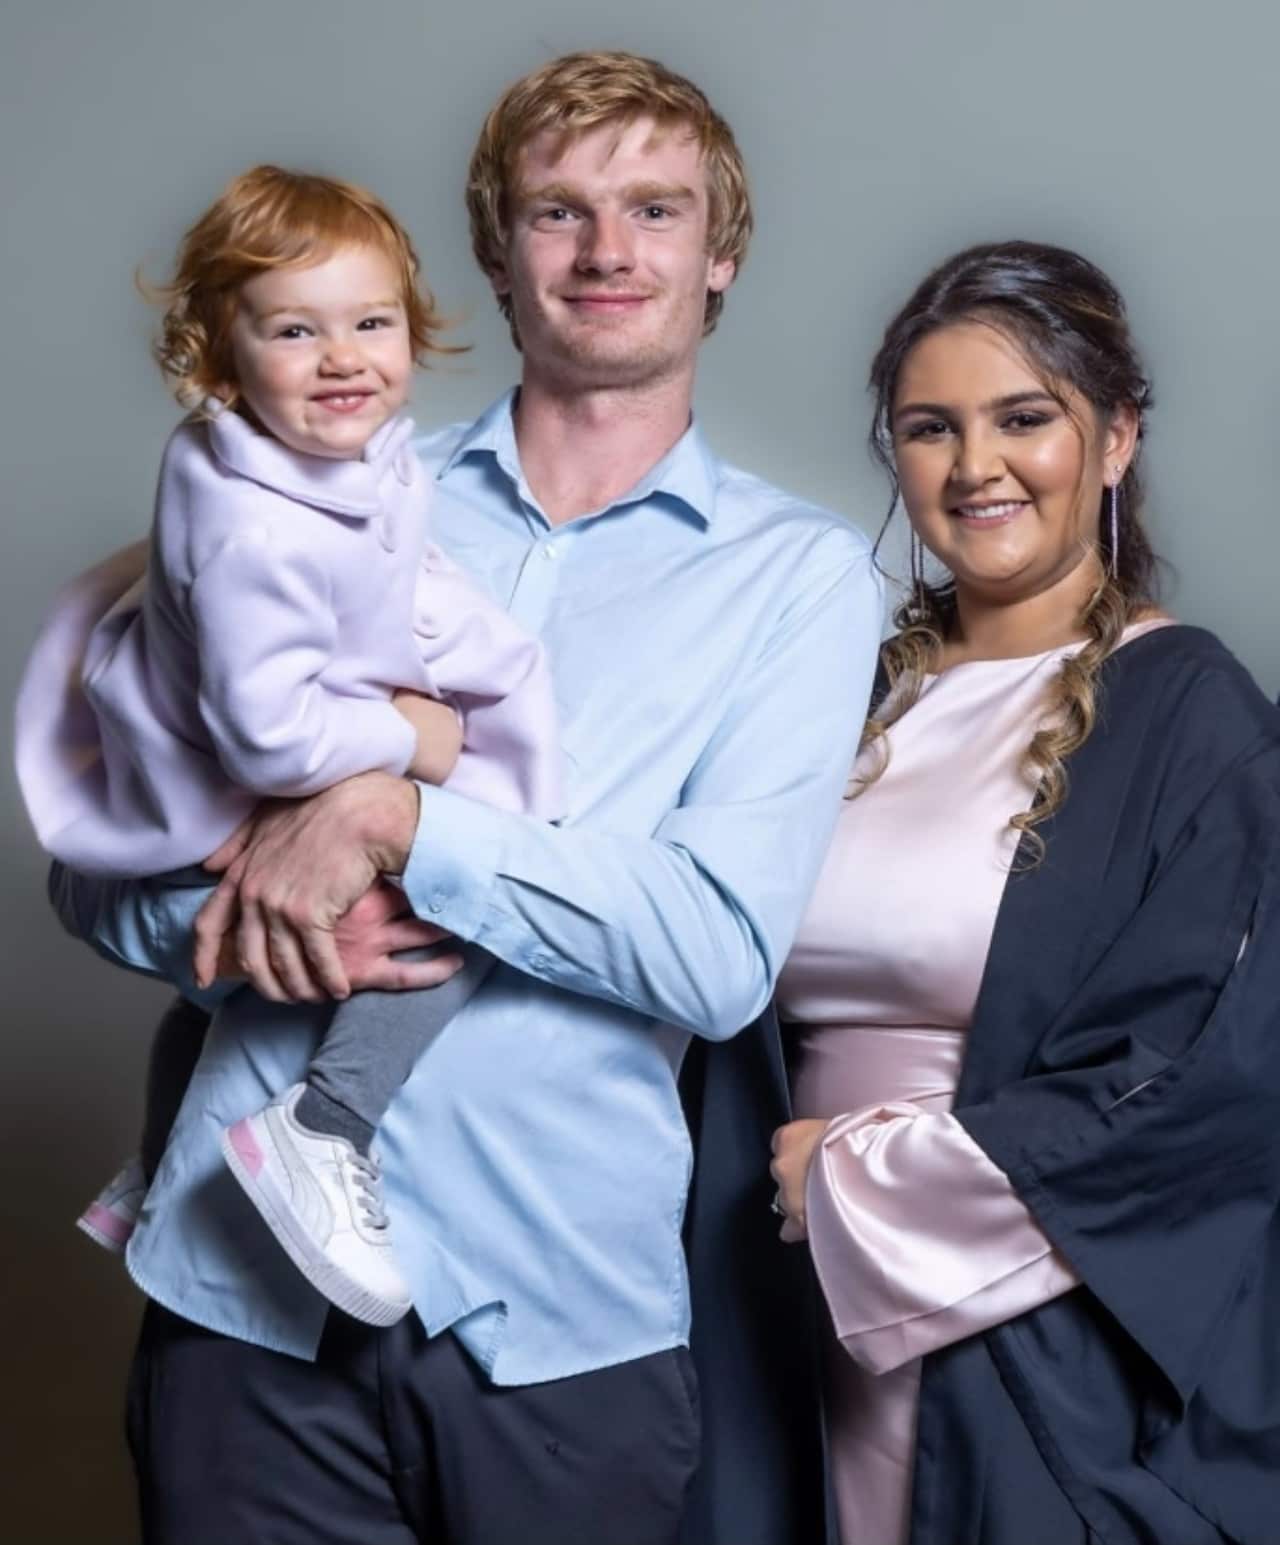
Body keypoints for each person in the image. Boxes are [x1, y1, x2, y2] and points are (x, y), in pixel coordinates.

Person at [31, 51, 883, 1545]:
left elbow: (713, 951)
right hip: (245, 1312)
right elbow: (98, 862)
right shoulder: (293, 484)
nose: (609, 251)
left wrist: (401, 824)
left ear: (719, 253)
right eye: (559, 211)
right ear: (492, 253)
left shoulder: (799, 579)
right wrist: (248, 930)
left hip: (557, 1320)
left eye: (656, 209)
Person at [768, 240, 1280, 1544]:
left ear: (1115, 440)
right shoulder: (840, 694)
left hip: (1022, 1335)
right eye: (930, 428)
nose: (974, 466)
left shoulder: (1189, 714)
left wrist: (862, 1179)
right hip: (773, 1314)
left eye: (1024, 419)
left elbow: (1209, 1073)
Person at [16, 165, 563, 1329]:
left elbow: (388, 569)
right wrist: (414, 733)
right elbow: (269, 739)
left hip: (190, 755)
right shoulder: (257, 532)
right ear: (218, 360)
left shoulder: (317, 458)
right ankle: (324, 1127)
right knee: (447, 917)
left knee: (221, 1000)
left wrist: (472, 651)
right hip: (202, 796)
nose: (343, 358)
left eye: (370, 324)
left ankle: (164, 1160)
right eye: (293, 332)